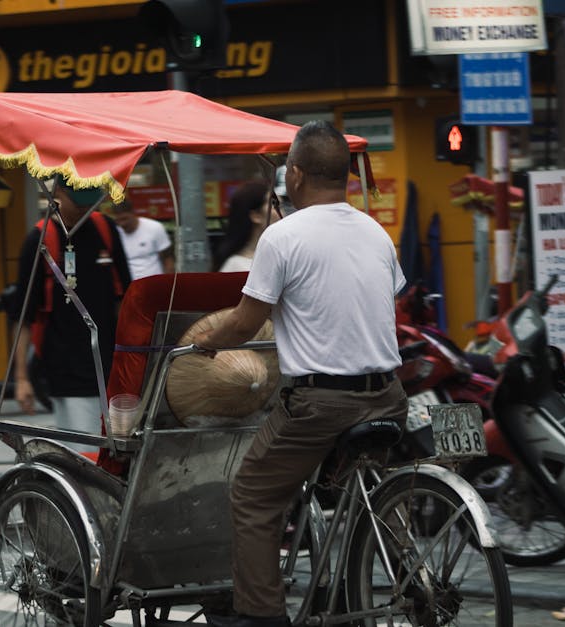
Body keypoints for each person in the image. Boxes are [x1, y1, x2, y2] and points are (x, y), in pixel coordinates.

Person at [191, 121, 408, 627]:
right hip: (388, 395)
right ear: (348, 177)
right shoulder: (376, 232)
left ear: (296, 174)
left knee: (252, 492)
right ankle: (390, 580)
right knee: (367, 490)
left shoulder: (282, 237)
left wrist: (204, 342)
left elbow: (245, 323)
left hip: (321, 406)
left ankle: (260, 615)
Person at [13, 178, 131, 450]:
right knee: (84, 452)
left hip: (112, 365)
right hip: (67, 368)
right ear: (58, 193)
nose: (84, 210)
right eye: (78, 202)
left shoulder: (106, 229)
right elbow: (23, 316)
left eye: (91, 203)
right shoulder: (40, 240)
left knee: (119, 451)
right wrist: (21, 378)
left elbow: (124, 298)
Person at [214, 181, 282, 272]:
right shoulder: (236, 267)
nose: (282, 213)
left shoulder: (280, 256)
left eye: (281, 206)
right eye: (274, 205)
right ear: (256, 216)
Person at [107, 198, 173, 280]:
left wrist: (168, 283)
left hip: (154, 283)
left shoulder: (155, 227)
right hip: (129, 287)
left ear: (133, 213)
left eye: (125, 219)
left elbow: (167, 259)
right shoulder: (115, 232)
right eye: (118, 220)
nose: (122, 224)